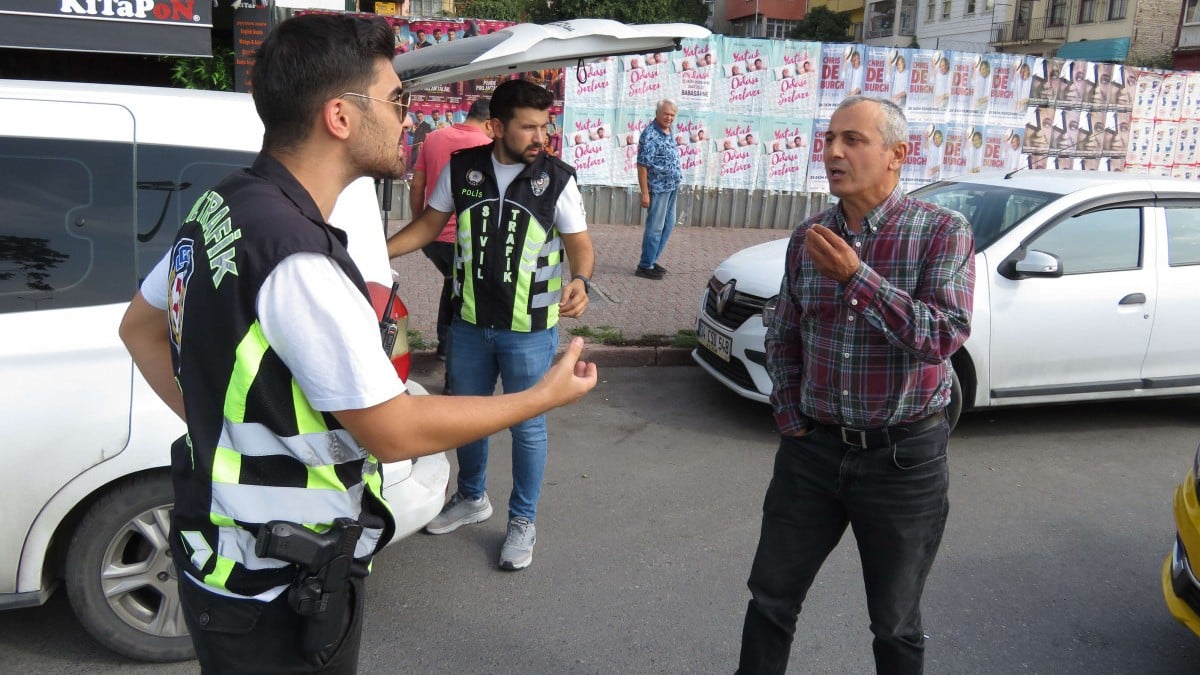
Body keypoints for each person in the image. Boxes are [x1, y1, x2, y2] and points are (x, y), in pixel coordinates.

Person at [116, 14, 597, 672]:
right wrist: (540, 397)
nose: (408, 121)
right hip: (278, 589)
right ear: (340, 116)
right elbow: (394, 431)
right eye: (398, 102)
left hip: (221, 560)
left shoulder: (225, 203)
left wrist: (221, 433)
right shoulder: (298, 259)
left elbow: (138, 327)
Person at [736, 95, 974, 675]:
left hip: (903, 460)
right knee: (770, 600)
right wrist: (791, 420)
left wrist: (856, 278)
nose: (834, 152)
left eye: (853, 140)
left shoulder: (941, 232)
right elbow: (784, 333)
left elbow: (942, 335)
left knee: (894, 625)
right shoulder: (808, 236)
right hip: (812, 452)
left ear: (898, 154)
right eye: (829, 139)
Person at [384, 79, 595, 571]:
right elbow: (429, 227)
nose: (541, 136)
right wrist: (373, 252)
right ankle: (472, 498)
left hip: (530, 327)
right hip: (470, 323)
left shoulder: (558, 178)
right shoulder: (463, 169)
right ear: (498, 127)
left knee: (528, 425)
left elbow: (580, 243)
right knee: (466, 417)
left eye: (545, 126)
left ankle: (523, 519)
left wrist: (581, 278)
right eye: (529, 127)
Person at [411, 97, 493, 370]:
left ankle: (445, 348)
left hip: (433, 237)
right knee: (462, 298)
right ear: (489, 123)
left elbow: (417, 186)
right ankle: (453, 363)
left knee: (453, 286)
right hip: (464, 239)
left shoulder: (433, 137)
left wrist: (418, 226)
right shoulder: (485, 145)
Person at [635, 99, 683, 280]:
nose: (669, 117)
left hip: (672, 187)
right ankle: (645, 265)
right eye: (666, 114)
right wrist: (645, 192)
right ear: (657, 113)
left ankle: (651, 260)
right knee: (655, 228)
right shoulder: (649, 134)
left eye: (672, 115)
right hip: (658, 189)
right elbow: (642, 166)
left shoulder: (669, 131)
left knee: (668, 225)